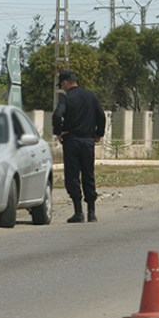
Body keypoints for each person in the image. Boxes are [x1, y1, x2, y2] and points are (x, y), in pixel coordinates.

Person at [52, 70, 106, 223]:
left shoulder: (66, 98)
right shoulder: (91, 96)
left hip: (72, 141)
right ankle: (92, 212)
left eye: (62, 84)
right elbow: (101, 115)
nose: (62, 87)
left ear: (66, 82)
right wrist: (99, 133)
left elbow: (57, 115)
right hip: (88, 141)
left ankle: (78, 212)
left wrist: (59, 132)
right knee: (89, 174)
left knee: (73, 176)